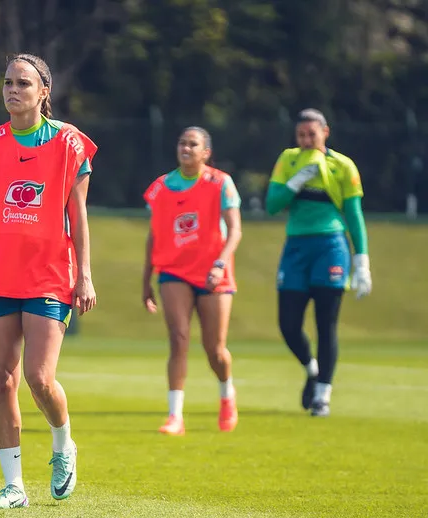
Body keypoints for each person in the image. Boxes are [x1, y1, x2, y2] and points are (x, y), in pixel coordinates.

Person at [0, 53, 97, 509]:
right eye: (8, 82)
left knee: (38, 377)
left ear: (44, 92)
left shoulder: (69, 142)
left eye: (24, 84)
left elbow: (78, 215)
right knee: (1, 378)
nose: (13, 90)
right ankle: (14, 486)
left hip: (50, 274)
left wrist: (85, 274)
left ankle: (63, 443)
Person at [266, 108, 371, 417]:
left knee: (326, 324)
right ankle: (311, 368)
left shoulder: (342, 166)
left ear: (325, 132)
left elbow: (353, 213)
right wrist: (296, 181)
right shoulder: (288, 160)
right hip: (296, 248)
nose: (307, 140)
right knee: (288, 324)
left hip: (330, 247)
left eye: (312, 134)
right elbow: (273, 204)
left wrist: (361, 259)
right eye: (301, 135)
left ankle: (323, 395)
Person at [141, 127, 243, 436]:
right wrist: (146, 281)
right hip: (173, 271)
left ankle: (227, 393)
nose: (186, 148)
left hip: (213, 273)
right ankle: (175, 416)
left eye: (193, 144)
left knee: (215, 350)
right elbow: (154, 236)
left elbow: (234, 230)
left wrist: (220, 264)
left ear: (206, 152)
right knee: (179, 339)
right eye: (182, 142)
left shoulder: (221, 183)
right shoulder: (160, 188)